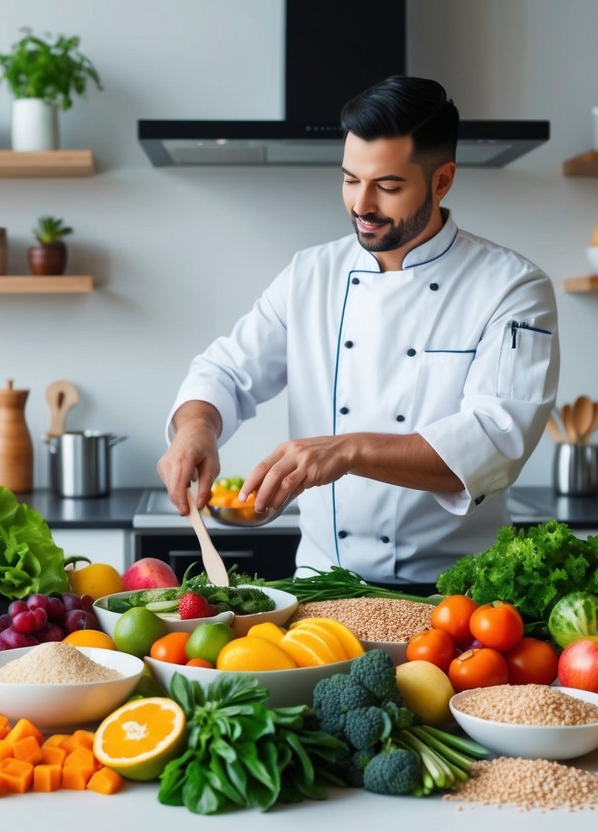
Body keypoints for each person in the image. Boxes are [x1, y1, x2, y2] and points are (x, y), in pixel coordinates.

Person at [156, 76, 559, 593]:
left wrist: (346, 450)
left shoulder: (512, 287)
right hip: (320, 588)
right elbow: (228, 371)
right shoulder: (311, 274)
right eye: (350, 180)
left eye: (387, 187)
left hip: (456, 596)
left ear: (442, 181)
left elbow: (495, 442)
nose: (361, 204)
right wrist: (196, 428)